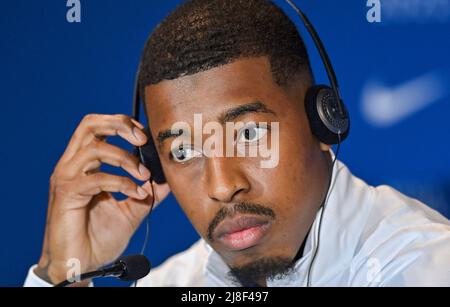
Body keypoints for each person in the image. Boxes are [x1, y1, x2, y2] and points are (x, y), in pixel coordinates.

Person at [24, 0, 450, 287]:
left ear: (323, 123)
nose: (222, 186)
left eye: (248, 135)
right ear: (153, 165)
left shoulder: (423, 265)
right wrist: (64, 272)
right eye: (184, 152)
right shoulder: (176, 280)